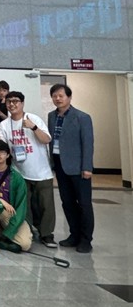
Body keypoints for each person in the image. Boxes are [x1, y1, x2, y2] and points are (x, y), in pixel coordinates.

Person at [0, 91, 56, 249]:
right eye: (9, 101)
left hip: (41, 172)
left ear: (22, 103)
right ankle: (29, 231)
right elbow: (2, 147)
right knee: (23, 205)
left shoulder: (33, 118)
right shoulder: (5, 124)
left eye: (16, 101)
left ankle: (47, 234)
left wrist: (33, 127)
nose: (12, 104)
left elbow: (47, 139)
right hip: (19, 172)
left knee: (46, 205)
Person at [48, 84, 94, 253]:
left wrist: (87, 167)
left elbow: (88, 143)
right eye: (54, 96)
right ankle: (74, 235)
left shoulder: (82, 117)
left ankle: (86, 240)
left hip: (78, 167)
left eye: (61, 96)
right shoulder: (51, 116)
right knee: (67, 203)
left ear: (69, 97)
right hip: (60, 165)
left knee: (84, 204)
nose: (57, 99)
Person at [0, 140, 32, 254]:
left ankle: (1, 235)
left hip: (7, 212)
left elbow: (21, 206)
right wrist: (0, 201)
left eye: (2, 152)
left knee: (25, 244)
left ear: (8, 155)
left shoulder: (16, 177)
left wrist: (8, 233)